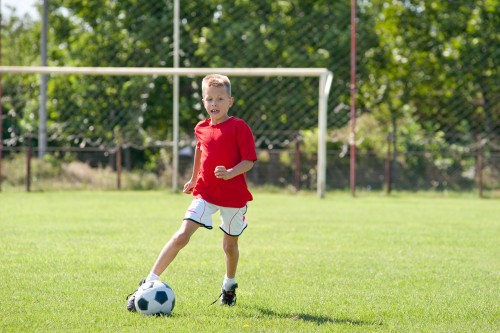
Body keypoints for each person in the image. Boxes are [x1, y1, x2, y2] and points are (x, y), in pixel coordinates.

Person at [126, 74, 257, 310]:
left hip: (234, 198)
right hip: (206, 193)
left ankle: (229, 285)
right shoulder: (201, 127)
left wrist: (230, 172)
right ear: (204, 102)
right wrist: (194, 178)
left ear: (230, 101)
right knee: (182, 235)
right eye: (209, 99)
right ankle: (148, 282)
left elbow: (249, 161)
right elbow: (200, 150)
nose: (214, 104)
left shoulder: (239, 127)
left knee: (229, 247)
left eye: (220, 99)